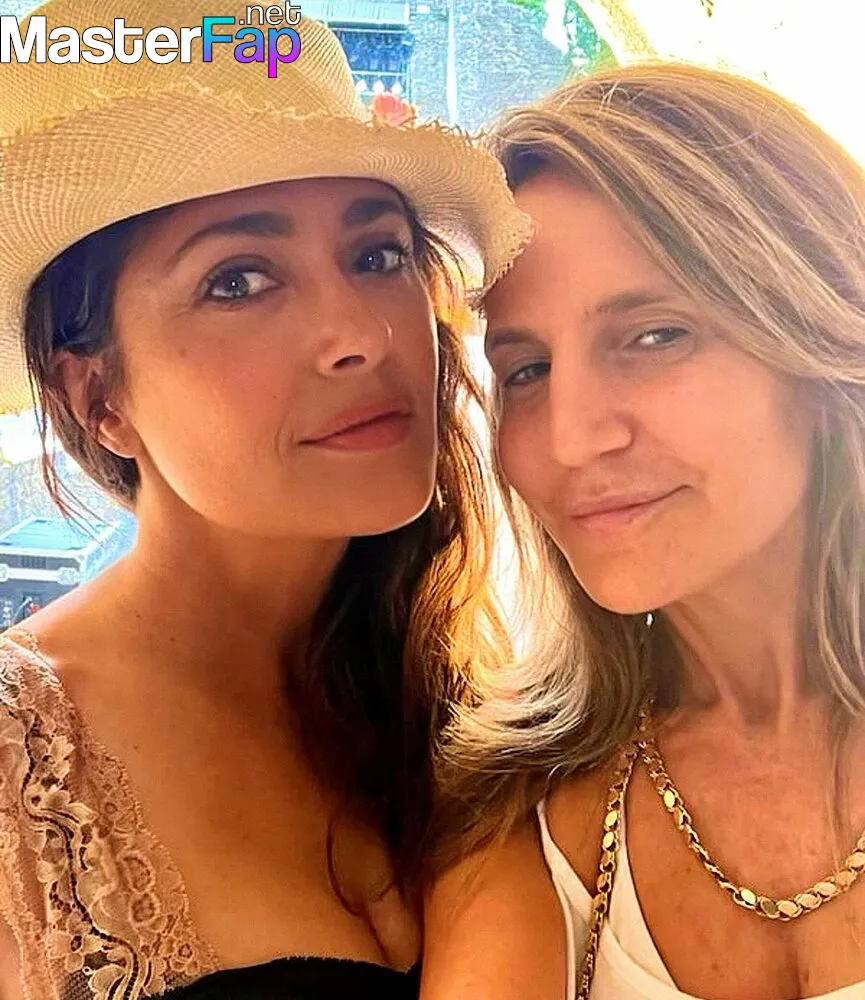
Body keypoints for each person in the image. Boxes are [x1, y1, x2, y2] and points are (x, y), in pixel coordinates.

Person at [0, 0, 532, 997]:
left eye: (376, 256)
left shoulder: (471, 688)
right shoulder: (20, 778)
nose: (362, 336)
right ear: (96, 396)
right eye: (238, 281)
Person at [423, 62, 865, 999]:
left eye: (655, 335)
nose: (571, 439)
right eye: (526, 369)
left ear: (820, 339)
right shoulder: (518, 810)